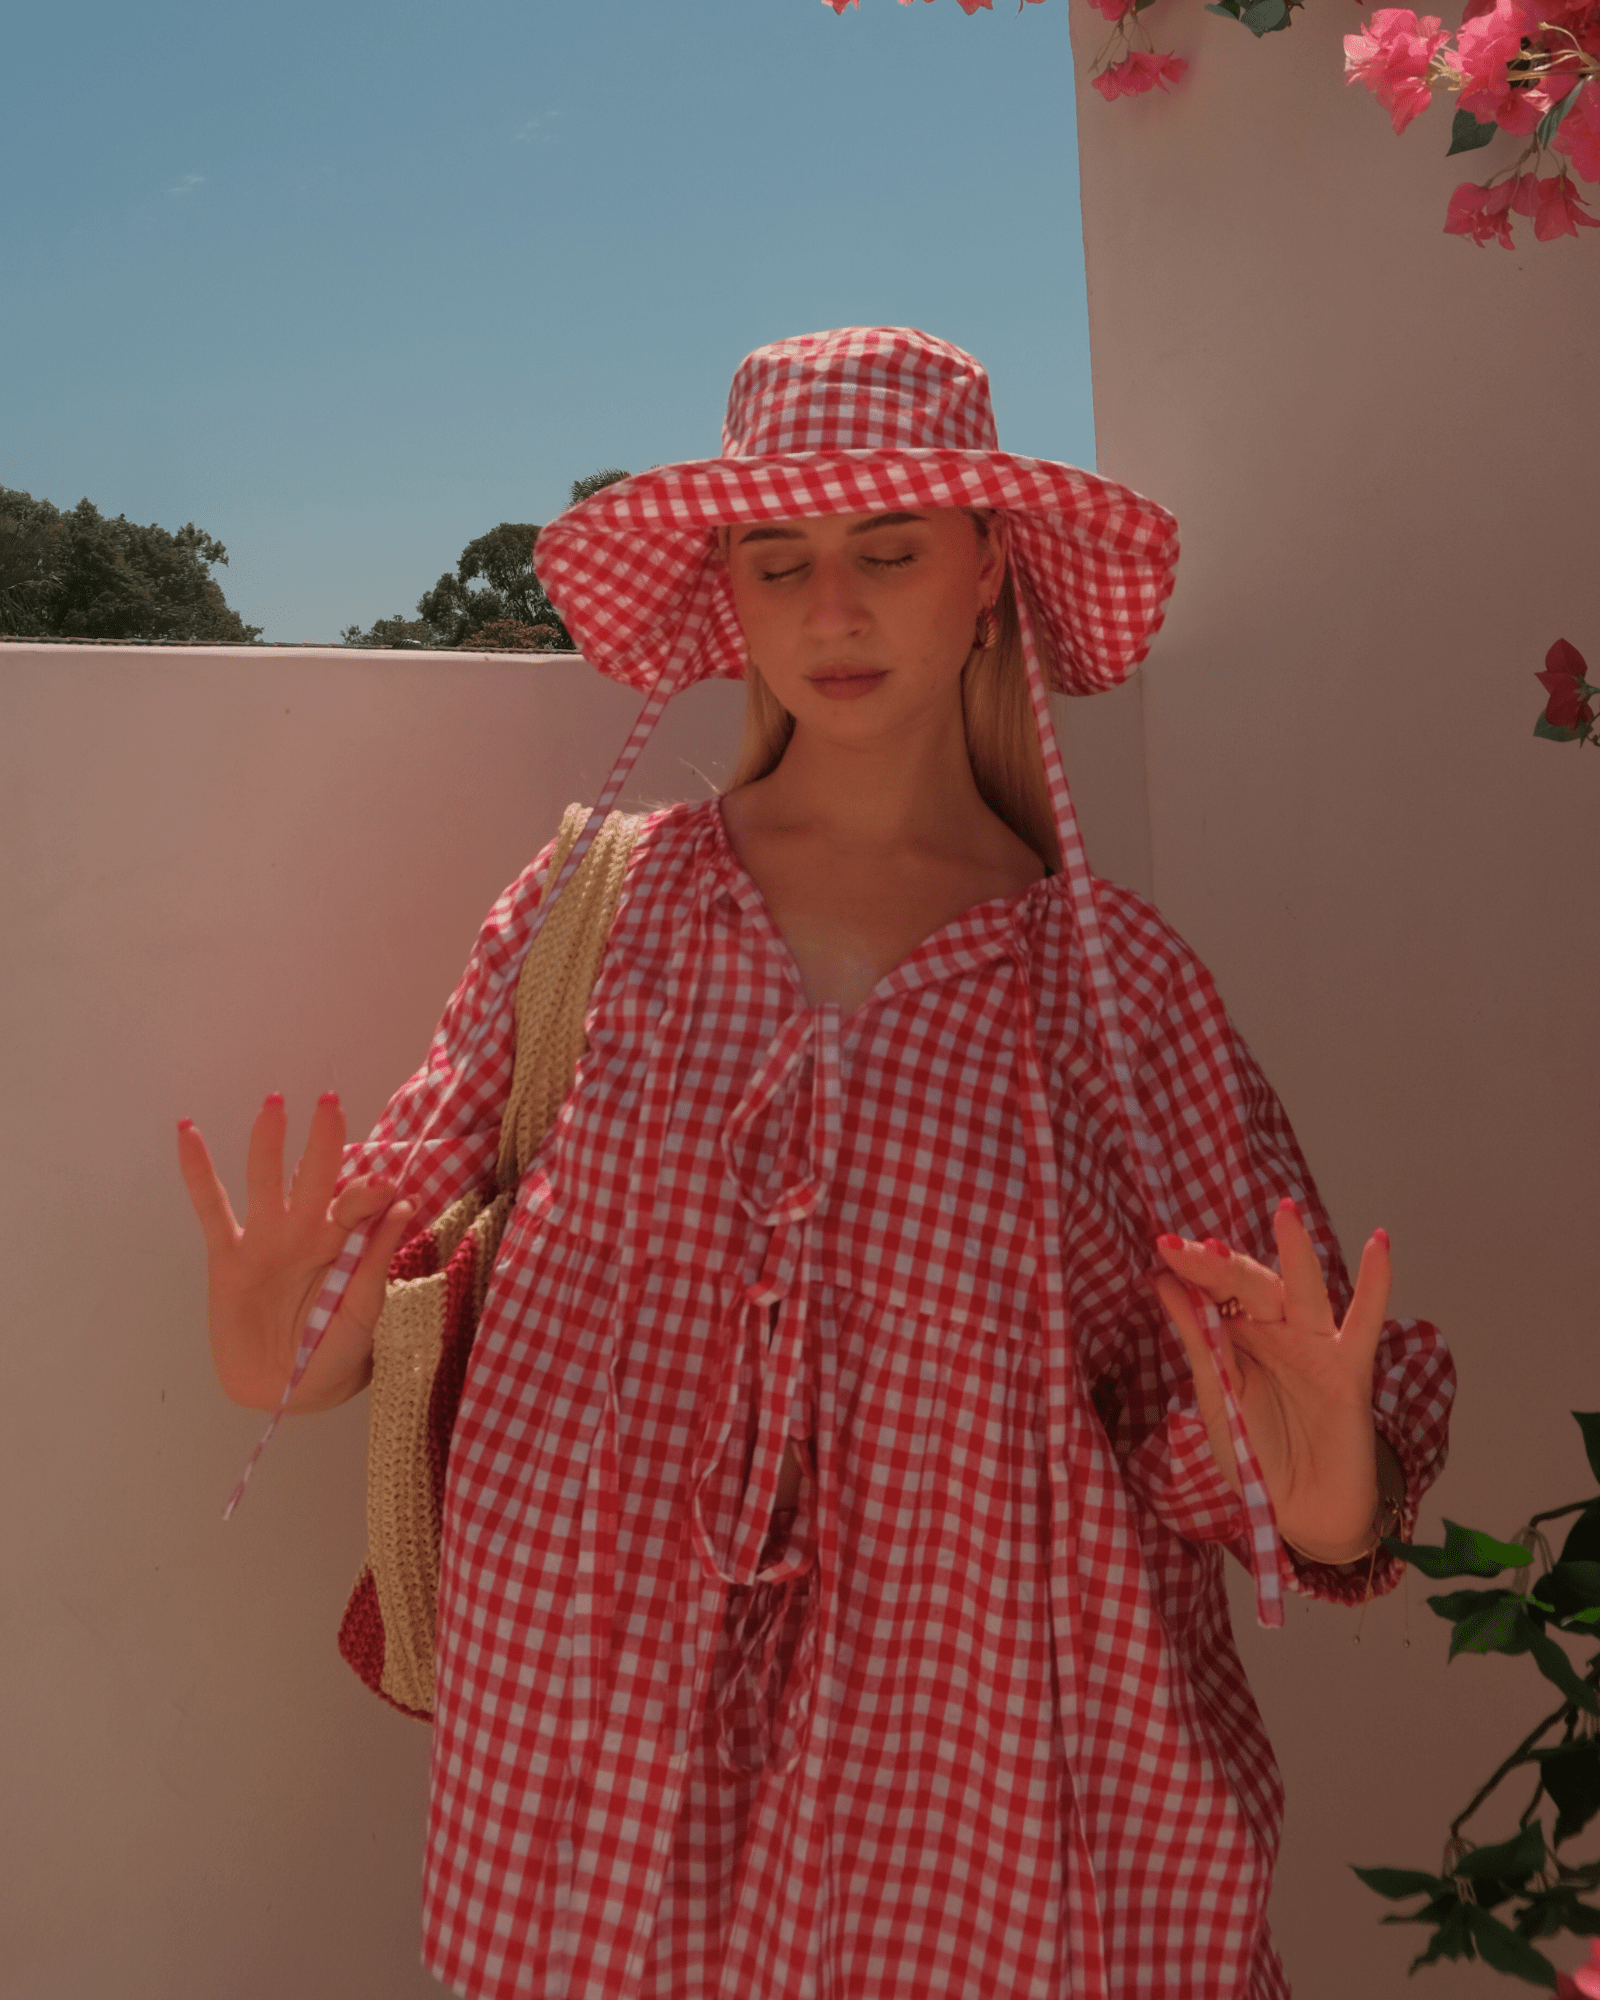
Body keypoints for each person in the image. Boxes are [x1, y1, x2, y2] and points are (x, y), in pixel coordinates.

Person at [178, 328, 1454, 2000]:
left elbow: (1259, 1440)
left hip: (1001, 1782)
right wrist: (264, 1333)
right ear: (732, 597)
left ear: (988, 571)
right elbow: (365, 1289)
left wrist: (1323, 1475)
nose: (831, 608)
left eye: (888, 550)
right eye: (778, 561)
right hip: (604, 1766)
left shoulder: (1115, 988)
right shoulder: (598, 912)